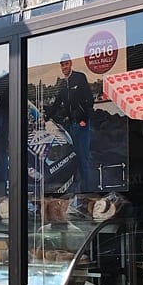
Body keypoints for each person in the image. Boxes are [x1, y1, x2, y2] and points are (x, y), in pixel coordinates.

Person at [44, 53, 94, 192]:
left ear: (70, 63)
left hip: (82, 124)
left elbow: (89, 99)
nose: (64, 66)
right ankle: (78, 187)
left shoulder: (79, 77)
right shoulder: (62, 84)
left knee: (83, 158)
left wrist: (84, 119)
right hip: (71, 125)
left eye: (66, 63)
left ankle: (88, 190)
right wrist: (46, 117)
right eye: (62, 64)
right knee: (74, 156)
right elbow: (56, 104)